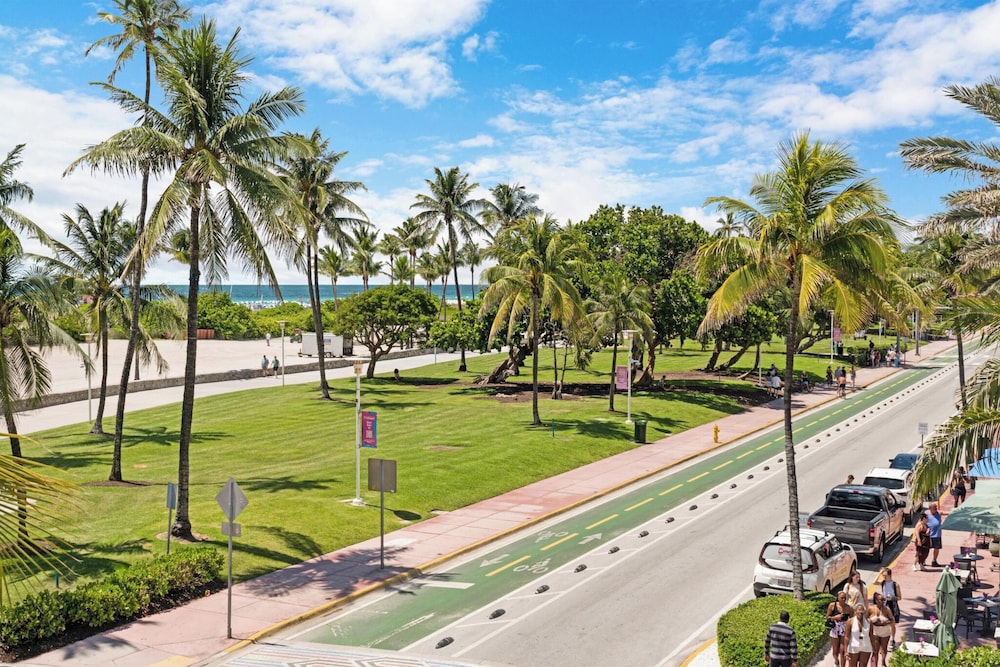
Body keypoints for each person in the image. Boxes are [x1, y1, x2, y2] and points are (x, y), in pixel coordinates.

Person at [867, 592, 895, 667]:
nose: (883, 601)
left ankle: (883, 661)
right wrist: (871, 621)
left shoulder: (887, 609)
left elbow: (892, 620)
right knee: (875, 650)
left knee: (884, 649)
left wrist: (886, 623)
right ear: (876, 600)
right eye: (881, 600)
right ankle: (874, 665)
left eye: (884, 599)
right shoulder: (871, 608)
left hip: (885, 631)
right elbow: (865, 618)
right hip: (875, 632)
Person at [826, 591, 852, 667]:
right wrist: (834, 618)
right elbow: (827, 617)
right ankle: (837, 661)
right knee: (835, 651)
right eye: (842, 598)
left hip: (844, 629)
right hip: (835, 628)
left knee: (843, 649)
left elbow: (852, 619)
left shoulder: (849, 608)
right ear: (838, 598)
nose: (843, 599)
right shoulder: (832, 606)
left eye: (845, 598)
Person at [926, 502, 943, 566]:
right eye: (934, 507)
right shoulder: (926, 513)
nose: (936, 509)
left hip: (937, 535)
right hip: (929, 535)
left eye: (936, 507)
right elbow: (921, 522)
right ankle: (923, 560)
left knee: (936, 549)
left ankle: (934, 561)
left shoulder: (938, 513)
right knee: (926, 549)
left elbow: (946, 513)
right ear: (930, 508)